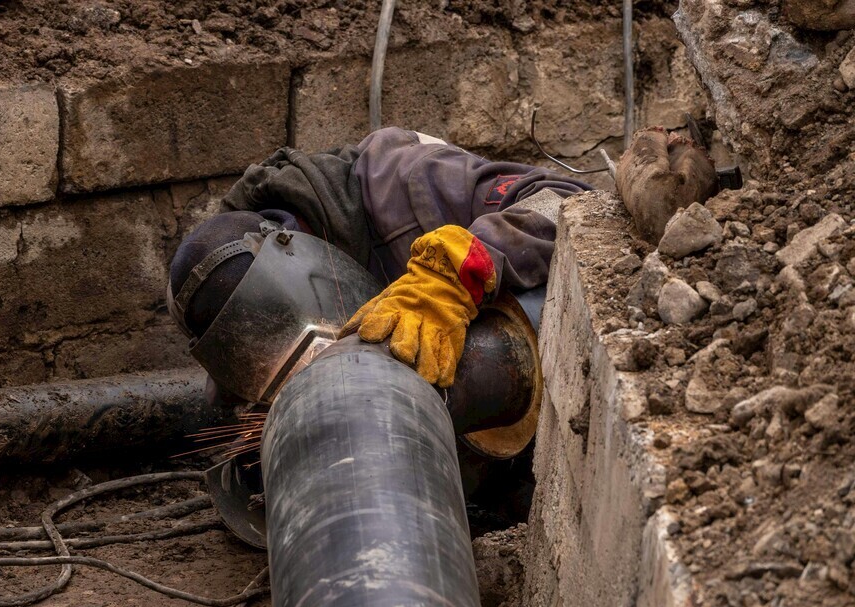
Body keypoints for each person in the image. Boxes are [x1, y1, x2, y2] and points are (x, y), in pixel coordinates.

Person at [167, 127, 596, 403]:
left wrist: (456, 271)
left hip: (542, 374)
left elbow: (567, 198)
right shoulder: (235, 294)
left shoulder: (410, 180)